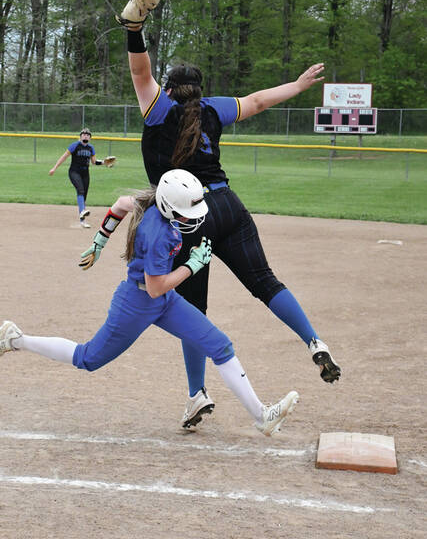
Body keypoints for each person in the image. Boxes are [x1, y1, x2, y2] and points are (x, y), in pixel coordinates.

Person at [114, 0, 341, 429]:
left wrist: (133, 27)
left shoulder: (158, 108)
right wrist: (296, 86)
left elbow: (141, 74)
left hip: (188, 218)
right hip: (228, 206)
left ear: (171, 88)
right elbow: (257, 101)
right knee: (265, 281)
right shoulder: (213, 109)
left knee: (192, 311)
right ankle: (314, 341)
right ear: (198, 89)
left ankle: (197, 393)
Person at [0, 169, 299, 436]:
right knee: (87, 358)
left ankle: (262, 416)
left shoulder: (150, 202)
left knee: (220, 345)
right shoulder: (157, 235)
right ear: (170, 208)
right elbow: (155, 288)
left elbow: (119, 204)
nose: (190, 219)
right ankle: (16, 339)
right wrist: (192, 266)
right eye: (185, 214)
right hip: (137, 303)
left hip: (164, 300)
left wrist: (99, 241)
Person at [49, 128, 109, 228]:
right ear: (80, 136)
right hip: (74, 172)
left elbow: (94, 162)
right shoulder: (75, 145)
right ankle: (82, 212)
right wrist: (54, 168)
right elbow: (64, 157)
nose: (85, 136)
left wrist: (104, 162)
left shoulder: (91, 148)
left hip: (85, 173)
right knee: (80, 190)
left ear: (90, 138)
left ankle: (82, 221)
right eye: (84, 134)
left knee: (83, 196)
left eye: (88, 135)